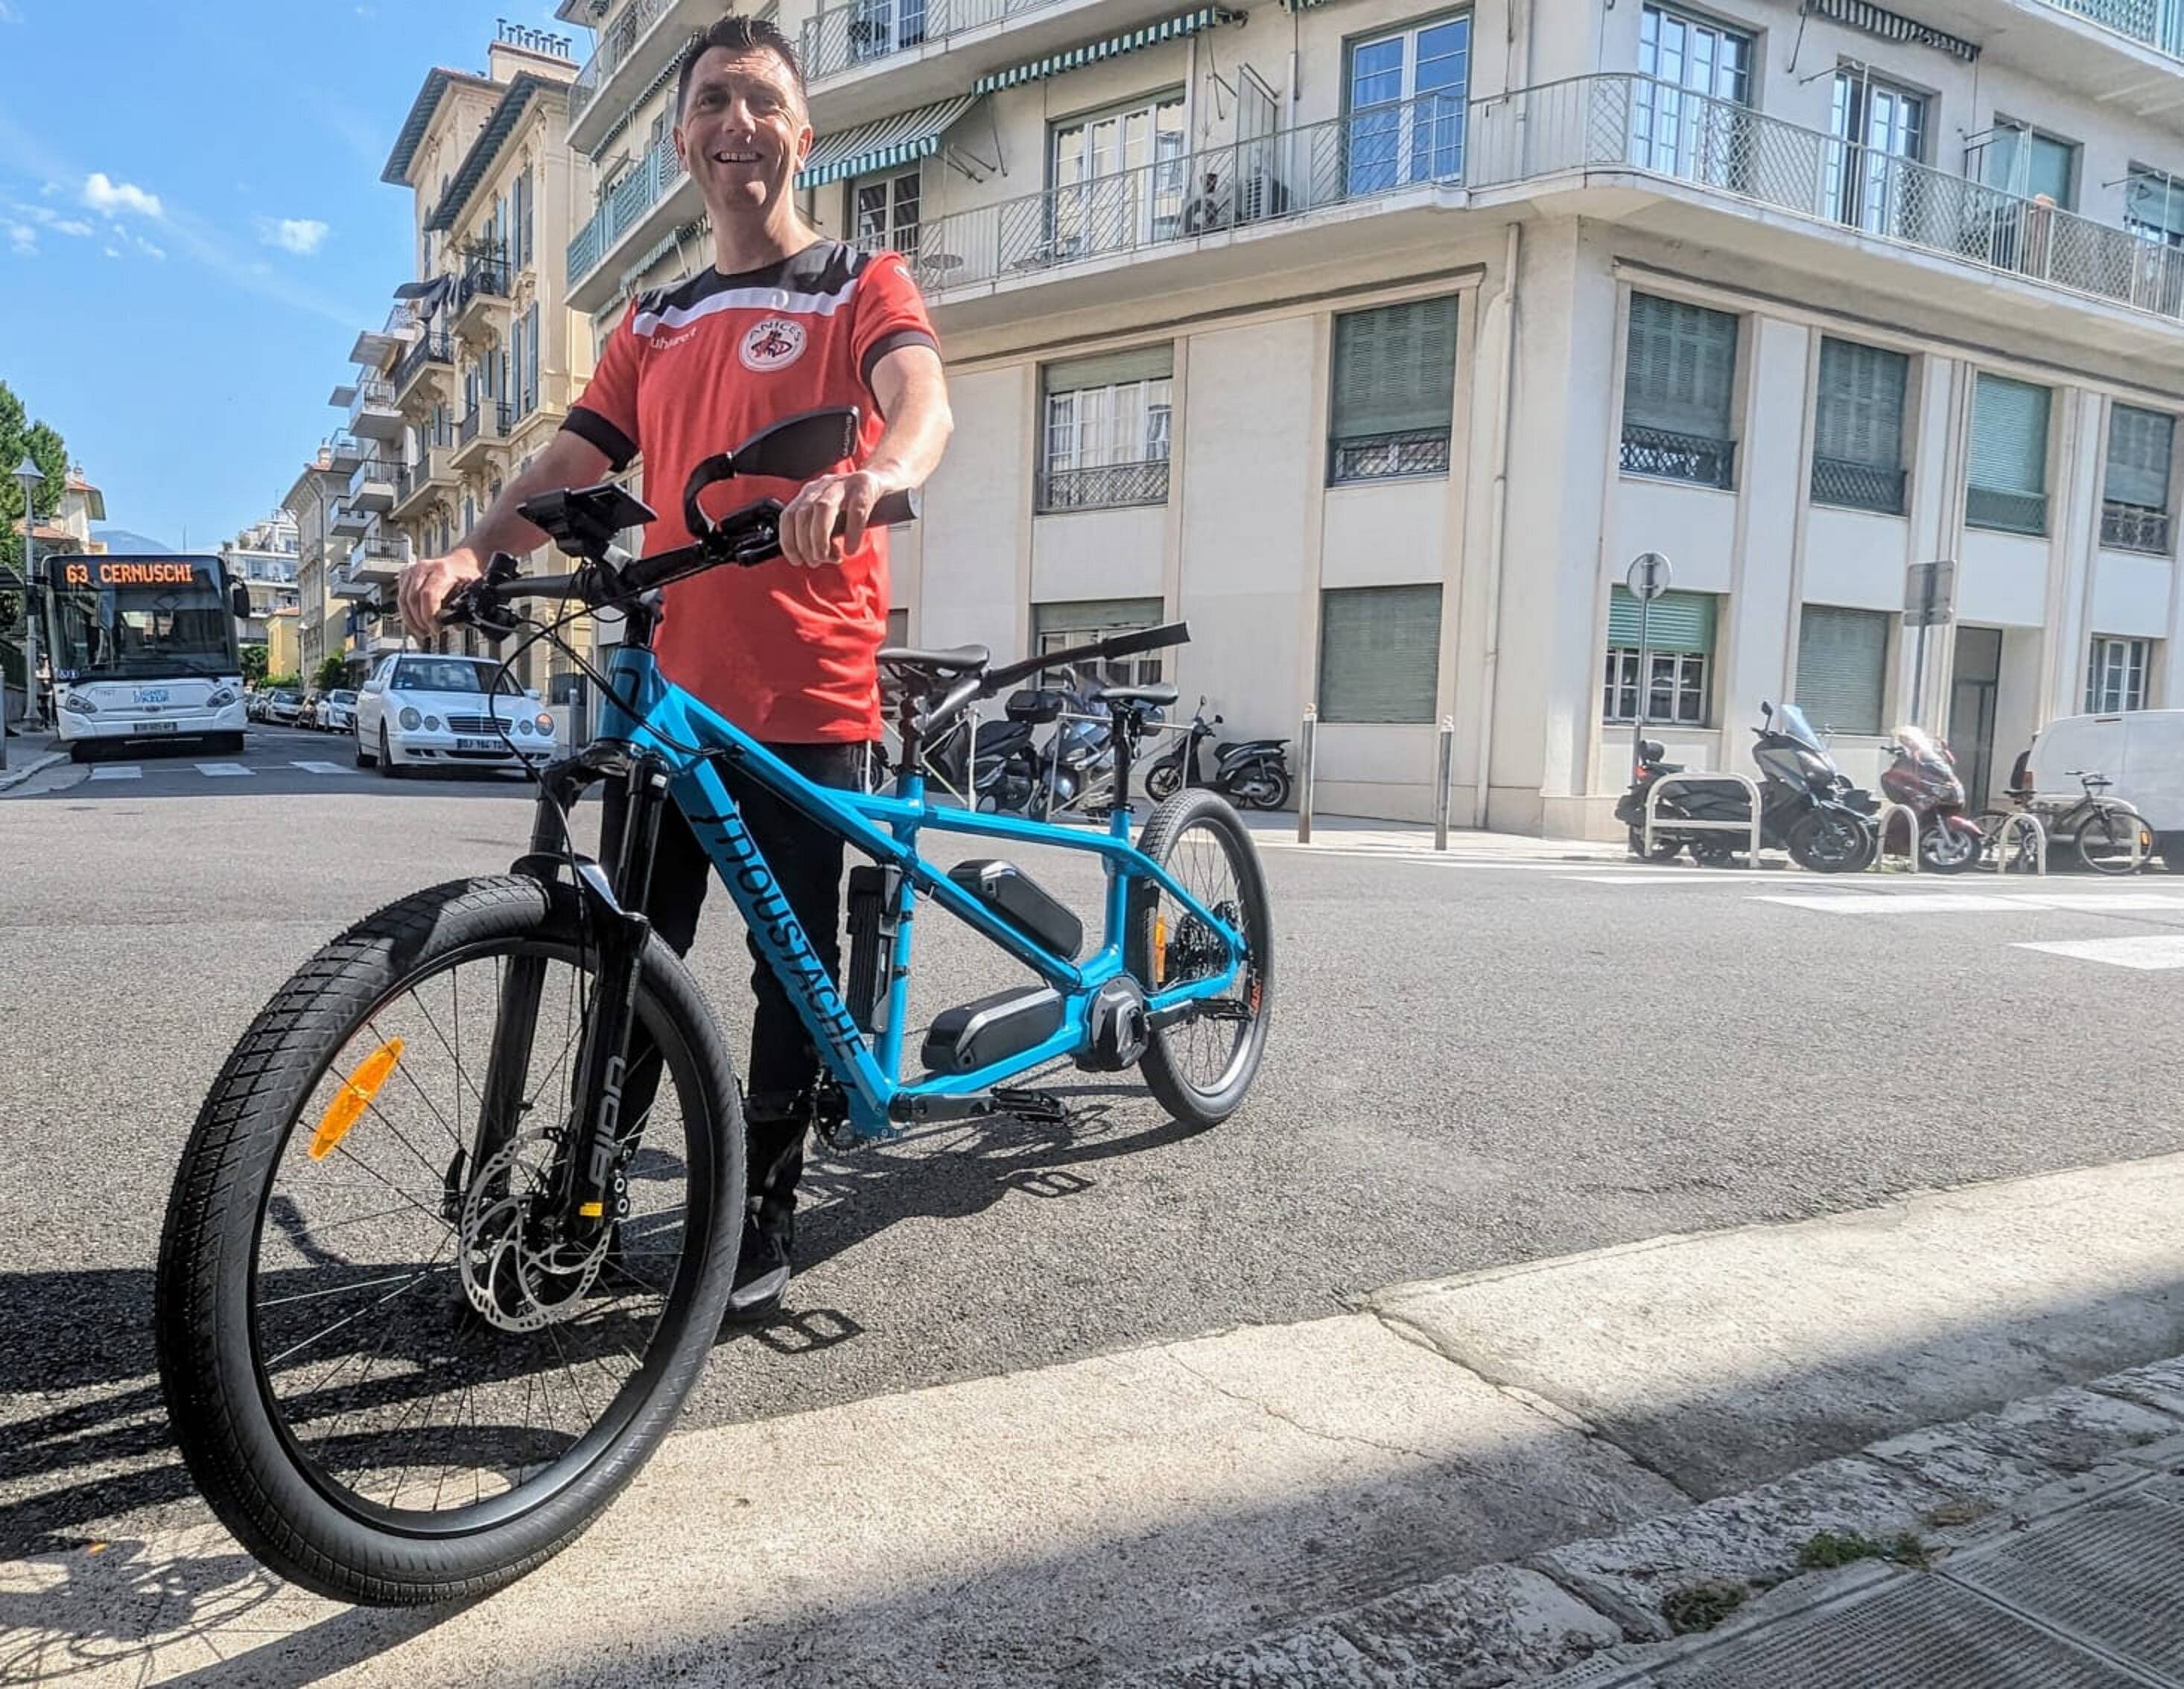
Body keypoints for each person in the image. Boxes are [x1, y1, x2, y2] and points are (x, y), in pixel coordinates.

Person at [399, 13, 953, 1321]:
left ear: (800, 134)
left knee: (786, 973)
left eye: (759, 100)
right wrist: (472, 550)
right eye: (710, 102)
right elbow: (570, 462)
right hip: (672, 704)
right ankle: (586, 1197)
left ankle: (761, 1209)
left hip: (809, 694)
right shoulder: (655, 318)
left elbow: (923, 404)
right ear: (682, 141)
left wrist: (870, 475)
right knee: (628, 954)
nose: (734, 124)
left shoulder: (860, 281)